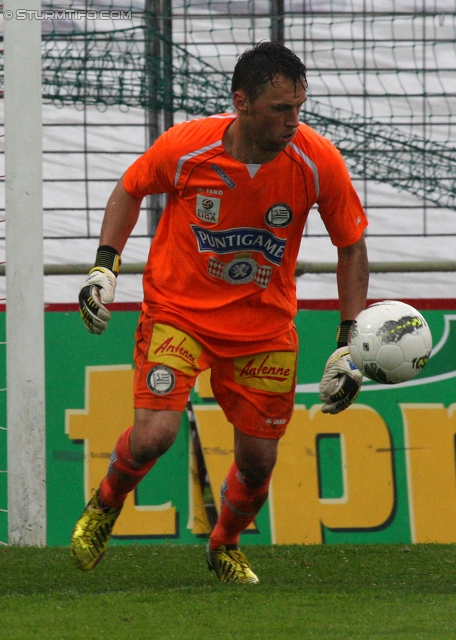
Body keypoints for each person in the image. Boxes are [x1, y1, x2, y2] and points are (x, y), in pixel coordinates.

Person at [71, 41, 369, 584]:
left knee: (258, 462)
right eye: (281, 109)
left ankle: (224, 544)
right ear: (242, 102)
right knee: (153, 436)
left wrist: (347, 342)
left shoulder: (316, 160)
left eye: (299, 108)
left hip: (264, 327)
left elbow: (351, 246)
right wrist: (104, 268)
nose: (293, 123)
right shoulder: (187, 147)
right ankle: (105, 504)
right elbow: (129, 189)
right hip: (178, 313)